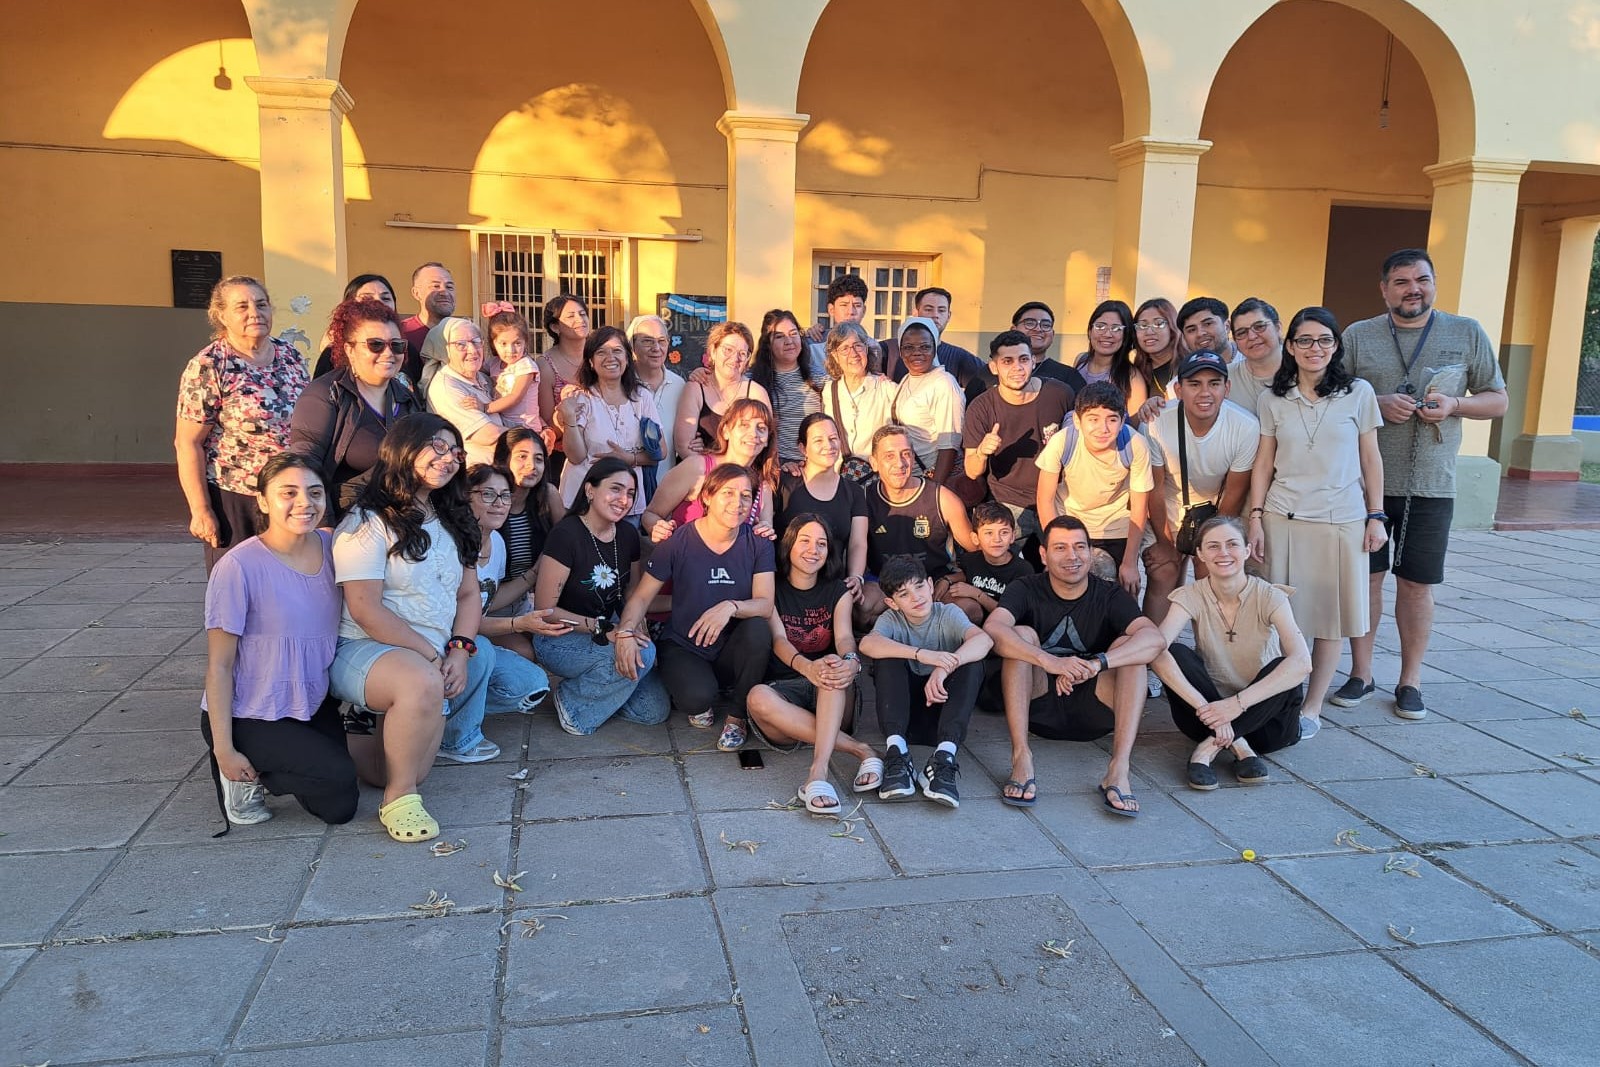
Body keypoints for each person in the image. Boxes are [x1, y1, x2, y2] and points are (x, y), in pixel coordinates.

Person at [1336, 249, 1509, 721]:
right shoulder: (1358, 335)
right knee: (1366, 579)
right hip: (1364, 483)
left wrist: (1455, 406)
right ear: (1384, 288)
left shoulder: (1465, 332)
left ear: (1433, 283)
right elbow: (1334, 393)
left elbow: (1497, 400)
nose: (1413, 288)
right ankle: (1361, 672)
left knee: (1415, 584)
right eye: (1401, 281)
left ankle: (1410, 680)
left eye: (1422, 279)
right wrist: (1377, 400)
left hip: (1431, 484)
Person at [329, 415, 496, 844]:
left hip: (428, 658)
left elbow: (468, 596)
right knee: (420, 700)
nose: (449, 459)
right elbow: (365, 609)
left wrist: (460, 650)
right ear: (404, 449)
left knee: (401, 764)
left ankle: (352, 732)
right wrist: (430, 654)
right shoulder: (367, 521)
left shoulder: (452, 518)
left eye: (455, 451)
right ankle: (398, 799)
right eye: (436, 447)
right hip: (366, 647)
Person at [1247, 307, 1387, 738]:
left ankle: (1311, 708)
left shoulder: (1358, 393)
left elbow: (1370, 458)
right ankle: (1278, 696)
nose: (1315, 348)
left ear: (1336, 347)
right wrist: (1254, 517)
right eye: (1305, 340)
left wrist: (1375, 515)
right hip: (1282, 517)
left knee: (1329, 618)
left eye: (1324, 340)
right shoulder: (1273, 397)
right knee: (1281, 616)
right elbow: (1263, 462)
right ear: (1290, 346)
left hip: (1340, 519)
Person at [202, 453, 357, 828]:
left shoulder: (333, 545)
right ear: (263, 500)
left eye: (315, 492)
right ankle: (240, 773)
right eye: (289, 492)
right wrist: (225, 749)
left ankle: (274, 764)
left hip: (310, 703)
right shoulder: (238, 567)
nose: (305, 503)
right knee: (336, 779)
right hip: (251, 713)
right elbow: (220, 665)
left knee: (340, 808)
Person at [983, 516, 1165, 814]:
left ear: (1090, 553)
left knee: (1130, 649)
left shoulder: (1109, 594)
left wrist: (1096, 664)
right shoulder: (1026, 587)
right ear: (1043, 554)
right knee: (1021, 635)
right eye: (1060, 548)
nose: (1072, 556)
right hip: (1039, 703)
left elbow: (1154, 640)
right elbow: (994, 629)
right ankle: (1021, 757)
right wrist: (1049, 660)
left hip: (1097, 707)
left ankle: (1118, 769)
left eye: (1080, 547)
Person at [618, 463, 776, 751]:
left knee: (757, 629)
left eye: (745, 496)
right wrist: (625, 632)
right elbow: (641, 598)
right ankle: (707, 690)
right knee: (697, 698)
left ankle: (737, 715)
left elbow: (765, 604)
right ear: (707, 497)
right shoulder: (677, 541)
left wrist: (729, 606)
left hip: (731, 646)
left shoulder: (758, 543)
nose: (737, 503)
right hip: (685, 644)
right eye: (728, 493)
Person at [1152, 516, 1311, 789]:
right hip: (1206, 717)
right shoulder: (1190, 595)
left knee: (1286, 667)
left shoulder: (1270, 596)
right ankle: (1239, 747)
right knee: (1175, 652)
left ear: (1247, 550)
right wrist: (1207, 708)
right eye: (1213, 546)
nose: (1223, 553)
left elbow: (1302, 663)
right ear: (1200, 554)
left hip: (1267, 726)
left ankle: (1207, 750)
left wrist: (1235, 706)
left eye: (1232, 544)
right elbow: (1157, 650)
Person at [746, 516, 881, 813]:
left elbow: (845, 637)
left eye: (821, 544)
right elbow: (780, 640)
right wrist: (807, 667)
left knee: (832, 666)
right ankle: (861, 749)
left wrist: (850, 660)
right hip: (786, 692)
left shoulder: (837, 591)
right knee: (756, 697)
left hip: (830, 695)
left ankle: (817, 772)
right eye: (804, 540)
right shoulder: (772, 588)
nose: (813, 550)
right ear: (789, 545)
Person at [176, 275, 310, 572]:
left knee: (285, 581)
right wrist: (201, 510)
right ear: (221, 315)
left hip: (287, 494)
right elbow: (188, 442)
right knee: (236, 583)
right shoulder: (210, 365)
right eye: (242, 306)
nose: (254, 313)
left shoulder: (290, 356)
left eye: (261, 304)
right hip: (235, 496)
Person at [531, 458, 671, 735]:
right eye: (616, 489)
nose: (624, 500)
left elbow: (629, 591)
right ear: (590, 490)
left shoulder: (627, 535)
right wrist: (609, 630)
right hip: (560, 636)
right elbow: (545, 610)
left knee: (653, 711)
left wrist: (632, 627)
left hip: (611, 627)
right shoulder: (566, 535)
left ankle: (602, 692)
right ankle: (572, 704)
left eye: (630, 493)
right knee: (644, 653)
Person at [860, 554, 994, 809]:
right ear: (892, 602)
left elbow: (984, 640)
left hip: (942, 714)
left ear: (931, 585)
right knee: (887, 655)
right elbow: (867, 644)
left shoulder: (948, 613)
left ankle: (943, 758)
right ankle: (897, 755)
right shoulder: (891, 619)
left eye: (919, 586)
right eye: (904, 594)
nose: (916, 597)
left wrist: (944, 667)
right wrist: (923, 654)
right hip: (903, 716)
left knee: (972, 661)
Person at [1141, 351, 1259, 623]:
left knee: (1213, 573)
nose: (1205, 392)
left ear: (1226, 388)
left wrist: (1213, 542)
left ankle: (1207, 653)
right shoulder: (1157, 422)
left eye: (1214, 383)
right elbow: (1154, 488)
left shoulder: (1245, 427)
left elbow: (1235, 491)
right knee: (1164, 570)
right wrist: (1164, 541)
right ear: (1179, 390)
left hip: (1214, 511)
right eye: (1194, 384)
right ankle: (1153, 649)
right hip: (1168, 508)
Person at [290, 296, 422, 517]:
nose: (388, 353)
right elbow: (305, 468)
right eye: (375, 345)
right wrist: (326, 529)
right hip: (345, 522)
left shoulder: (405, 398)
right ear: (350, 350)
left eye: (397, 345)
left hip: (399, 521)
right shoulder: (324, 394)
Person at [1034, 381, 1154, 598]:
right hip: (1070, 522)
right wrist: (1055, 547)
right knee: (1066, 588)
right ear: (1078, 422)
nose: (1103, 428)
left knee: (1121, 592)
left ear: (1123, 420)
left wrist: (1129, 563)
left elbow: (1139, 507)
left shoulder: (1135, 445)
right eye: (1093, 419)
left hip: (1116, 526)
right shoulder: (1063, 442)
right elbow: (1045, 499)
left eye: (1112, 419)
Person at [859, 424, 981, 626]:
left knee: (971, 610)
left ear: (914, 458)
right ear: (874, 462)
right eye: (889, 456)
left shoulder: (942, 498)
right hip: (886, 587)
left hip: (932, 586)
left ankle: (914, 629)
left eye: (905, 454)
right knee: (863, 606)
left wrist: (954, 578)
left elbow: (976, 554)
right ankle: (917, 629)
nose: (900, 463)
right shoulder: (863, 498)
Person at [963, 329, 1075, 548]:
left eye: (1023, 359)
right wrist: (982, 451)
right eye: (1007, 361)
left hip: (1058, 497)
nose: (1017, 367)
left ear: (1033, 361)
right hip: (1007, 500)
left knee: (1068, 564)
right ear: (994, 367)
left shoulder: (1060, 393)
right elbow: (971, 470)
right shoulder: (981, 407)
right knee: (995, 565)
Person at [465, 464, 569, 678]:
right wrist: (518, 624)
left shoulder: (496, 541)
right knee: (527, 675)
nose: (499, 504)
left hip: (476, 629)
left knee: (532, 674)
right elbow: (460, 620)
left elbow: (490, 599)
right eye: (487, 494)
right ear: (465, 498)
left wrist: (535, 572)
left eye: (505, 496)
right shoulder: (453, 546)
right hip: (447, 639)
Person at [555, 326, 661, 525]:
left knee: (623, 554)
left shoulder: (641, 397)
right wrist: (569, 417)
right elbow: (576, 456)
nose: (610, 357)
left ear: (628, 359)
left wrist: (630, 458)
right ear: (591, 362)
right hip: (584, 501)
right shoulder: (581, 398)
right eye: (601, 352)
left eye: (617, 351)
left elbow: (660, 451)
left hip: (626, 502)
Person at [644, 397, 777, 538]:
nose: (753, 434)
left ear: (767, 439)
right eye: (744, 425)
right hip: (685, 555)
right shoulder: (696, 468)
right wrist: (658, 529)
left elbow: (764, 537)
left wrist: (765, 531)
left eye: (761, 428)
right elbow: (651, 515)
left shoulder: (763, 487)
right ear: (726, 430)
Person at [775, 413, 869, 598]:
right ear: (803, 448)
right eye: (818, 440)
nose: (829, 445)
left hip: (832, 588)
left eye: (833, 438)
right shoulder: (784, 484)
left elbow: (858, 543)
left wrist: (856, 577)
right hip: (784, 587)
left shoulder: (853, 491)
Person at [675, 321, 771, 459]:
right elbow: (684, 446)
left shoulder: (757, 393)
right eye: (728, 350)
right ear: (713, 351)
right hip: (701, 474)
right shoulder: (695, 388)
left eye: (742, 353)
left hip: (743, 474)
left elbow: (765, 442)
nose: (735, 358)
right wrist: (715, 475)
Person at [888, 316, 964, 483]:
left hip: (932, 476)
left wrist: (934, 491)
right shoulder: (907, 379)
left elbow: (949, 445)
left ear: (935, 349)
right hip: (912, 476)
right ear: (900, 351)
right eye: (908, 347)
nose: (916, 353)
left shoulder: (943, 383)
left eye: (925, 347)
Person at [817, 321, 896, 476]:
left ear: (866, 349)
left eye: (858, 345)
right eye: (844, 348)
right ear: (835, 355)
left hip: (877, 482)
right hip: (837, 481)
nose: (853, 353)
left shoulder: (886, 389)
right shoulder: (827, 391)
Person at [426, 316, 506, 467]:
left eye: (476, 342)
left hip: (501, 473)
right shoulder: (446, 386)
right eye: (460, 344)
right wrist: (530, 438)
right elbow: (488, 435)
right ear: (445, 349)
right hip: (475, 478)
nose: (472, 350)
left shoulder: (485, 379)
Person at [492, 429, 564, 593]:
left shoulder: (549, 495)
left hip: (537, 596)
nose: (532, 466)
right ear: (503, 460)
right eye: (522, 456)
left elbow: (565, 544)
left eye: (538, 459)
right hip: (492, 599)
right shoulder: (487, 499)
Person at [750, 309, 822, 467]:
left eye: (793, 333)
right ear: (767, 344)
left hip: (814, 467)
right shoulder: (751, 382)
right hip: (772, 468)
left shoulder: (820, 378)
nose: (789, 341)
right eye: (779, 336)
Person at [949, 501, 1035, 623]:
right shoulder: (969, 560)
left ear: (1012, 537)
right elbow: (962, 575)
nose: (997, 539)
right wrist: (947, 579)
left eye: (1004, 532)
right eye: (989, 533)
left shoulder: (1023, 570)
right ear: (975, 538)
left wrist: (977, 594)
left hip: (1007, 629)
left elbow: (1013, 614)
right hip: (973, 628)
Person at [536, 293, 591, 482]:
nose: (580, 320)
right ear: (555, 326)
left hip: (601, 450)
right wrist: (568, 416)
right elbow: (548, 424)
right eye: (570, 316)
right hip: (563, 457)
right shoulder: (546, 365)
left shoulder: (599, 356)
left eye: (583, 314)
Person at [629, 314, 686, 485]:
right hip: (626, 487)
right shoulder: (620, 384)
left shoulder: (680, 385)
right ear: (632, 345)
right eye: (647, 341)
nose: (656, 348)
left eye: (662, 341)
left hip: (665, 488)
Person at [1073, 299, 1150, 418]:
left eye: (1116, 328)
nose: (1107, 334)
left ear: (1126, 336)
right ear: (1090, 330)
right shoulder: (1081, 360)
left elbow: (1134, 429)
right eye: (1100, 326)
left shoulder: (1133, 378)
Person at [312, 274, 399, 377]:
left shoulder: (404, 348)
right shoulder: (333, 354)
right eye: (367, 298)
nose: (378, 302)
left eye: (385, 298)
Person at [483, 309, 547, 442]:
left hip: (525, 427)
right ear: (493, 343)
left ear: (525, 342)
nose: (510, 350)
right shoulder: (494, 363)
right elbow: (476, 371)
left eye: (517, 343)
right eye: (503, 344)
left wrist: (484, 407)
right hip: (502, 424)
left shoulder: (526, 366)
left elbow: (515, 397)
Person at [910, 286, 986, 390]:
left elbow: (990, 378)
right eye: (928, 309)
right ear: (915, 313)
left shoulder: (958, 357)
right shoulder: (890, 351)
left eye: (941, 310)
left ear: (948, 316)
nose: (935, 315)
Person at [1226, 298, 1284, 417]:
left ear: (1278, 328)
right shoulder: (1224, 377)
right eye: (1242, 333)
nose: (1252, 336)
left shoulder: (1305, 370)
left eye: (1259, 326)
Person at [400, 263, 455, 383]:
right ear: (416, 293)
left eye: (449, 287)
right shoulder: (401, 333)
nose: (444, 292)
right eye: (435, 286)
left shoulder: (464, 333)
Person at [805, 274, 869, 375]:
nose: (851, 311)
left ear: (864, 310)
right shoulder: (812, 345)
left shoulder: (872, 346)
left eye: (857, 305)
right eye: (844, 305)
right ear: (831, 309)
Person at [1134, 297, 1185, 400]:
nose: (1149, 332)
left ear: (1172, 328)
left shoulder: (1189, 366)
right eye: (1143, 325)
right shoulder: (1135, 373)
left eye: (1158, 324)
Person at [1177, 296, 1238, 365]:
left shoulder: (1249, 361)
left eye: (1208, 324)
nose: (1200, 333)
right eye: (1192, 330)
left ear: (1227, 327)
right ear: (1184, 338)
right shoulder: (1184, 373)